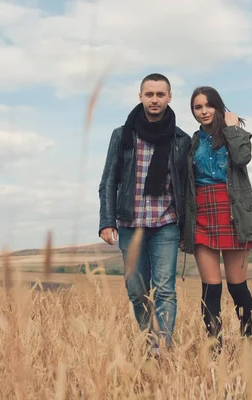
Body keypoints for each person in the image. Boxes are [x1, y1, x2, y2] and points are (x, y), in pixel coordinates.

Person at [98, 73, 191, 354]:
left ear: (169, 98)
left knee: (165, 289)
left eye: (160, 94)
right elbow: (109, 179)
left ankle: (159, 350)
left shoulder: (181, 139)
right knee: (137, 291)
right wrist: (106, 221)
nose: (154, 99)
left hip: (166, 223)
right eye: (149, 94)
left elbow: (186, 188)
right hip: (130, 222)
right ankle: (150, 337)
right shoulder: (122, 134)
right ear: (140, 96)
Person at [182, 86, 252, 349]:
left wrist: (232, 129)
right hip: (202, 213)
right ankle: (214, 349)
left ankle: (248, 339)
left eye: (208, 106)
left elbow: (243, 158)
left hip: (233, 213)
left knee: (237, 286)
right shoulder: (192, 141)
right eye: (197, 107)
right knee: (210, 287)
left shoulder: (234, 135)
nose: (203, 111)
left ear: (218, 106)